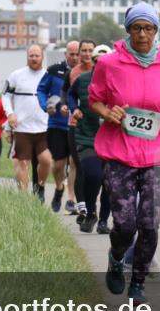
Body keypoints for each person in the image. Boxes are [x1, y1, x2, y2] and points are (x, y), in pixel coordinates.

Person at [89, 3, 160, 304]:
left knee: (149, 223)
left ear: (157, 30)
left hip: (158, 154)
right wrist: (107, 113)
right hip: (119, 152)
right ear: (128, 30)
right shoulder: (109, 64)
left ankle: (138, 282)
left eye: (148, 28)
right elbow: (95, 100)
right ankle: (117, 256)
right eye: (136, 28)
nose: (143, 34)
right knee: (125, 223)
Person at [68, 41, 109, 233]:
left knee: (109, 182)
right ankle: (91, 211)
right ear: (92, 62)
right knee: (93, 175)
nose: (100, 63)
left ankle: (103, 221)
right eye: (96, 60)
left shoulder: (117, 82)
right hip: (86, 136)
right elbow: (69, 95)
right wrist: (74, 108)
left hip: (111, 139)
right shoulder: (83, 80)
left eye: (104, 61)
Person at [3, 44, 52, 198]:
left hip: (43, 127)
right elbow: (5, 96)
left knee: (46, 160)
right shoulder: (16, 75)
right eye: (31, 56)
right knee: (22, 163)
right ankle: (23, 198)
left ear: (42, 57)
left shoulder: (48, 76)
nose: (34, 58)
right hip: (22, 127)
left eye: (37, 56)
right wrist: (10, 114)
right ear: (27, 57)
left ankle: (40, 187)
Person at [37, 41, 79, 212]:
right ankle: (59, 188)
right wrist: (46, 106)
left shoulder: (86, 72)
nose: (75, 57)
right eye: (72, 54)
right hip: (57, 124)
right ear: (65, 54)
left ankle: (71, 198)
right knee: (59, 165)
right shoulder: (54, 70)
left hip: (77, 125)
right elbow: (41, 90)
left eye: (77, 54)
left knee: (74, 162)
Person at [65, 40, 97, 219]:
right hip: (76, 126)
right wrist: (71, 108)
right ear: (78, 53)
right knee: (78, 165)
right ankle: (81, 204)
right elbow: (67, 94)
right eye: (83, 50)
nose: (86, 54)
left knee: (94, 169)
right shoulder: (74, 73)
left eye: (90, 50)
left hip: (97, 128)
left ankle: (90, 203)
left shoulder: (103, 72)